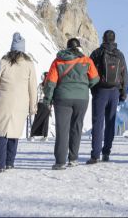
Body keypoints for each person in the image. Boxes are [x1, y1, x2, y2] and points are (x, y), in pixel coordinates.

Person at [42, 37, 99, 170]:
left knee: (62, 130)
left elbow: (50, 82)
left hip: (62, 98)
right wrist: (84, 86)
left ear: (67, 48)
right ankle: (73, 159)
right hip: (82, 98)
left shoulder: (58, 61)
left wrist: (47, 99)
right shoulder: (87, 60)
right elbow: (95, 79)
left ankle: (60, 161)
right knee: (76, 128)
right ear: (79, 47)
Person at [0, 33, 37, 173]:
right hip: (21, 102)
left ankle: (0, 165)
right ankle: (9, 162)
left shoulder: (3, 62)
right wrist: (33, 106)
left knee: (1, 133)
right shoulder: (29, 64)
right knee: (14, 133)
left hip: (3, 100)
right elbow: (32, 87)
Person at [87, 29, 128, 164]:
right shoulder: (120, 55)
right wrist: (123, 93)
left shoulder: (97, 53)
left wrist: (93, 89)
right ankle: (106, 153)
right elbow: (124, 75)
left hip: (100, 91)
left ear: (103, 39)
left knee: (98, 122)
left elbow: (89, 72)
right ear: (114, 39)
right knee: (110, 122)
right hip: (114, 91)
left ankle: (95, 155)